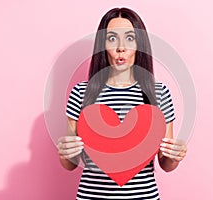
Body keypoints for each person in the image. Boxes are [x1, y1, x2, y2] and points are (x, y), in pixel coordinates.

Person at [56, 7, 187, 199]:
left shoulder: (159, 93)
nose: (120, 47)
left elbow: (165, 164)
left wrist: (175, 155)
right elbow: (70, 164)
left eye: (129, 38)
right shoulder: (81, 93)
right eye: (111, 38)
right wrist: (64, 152)